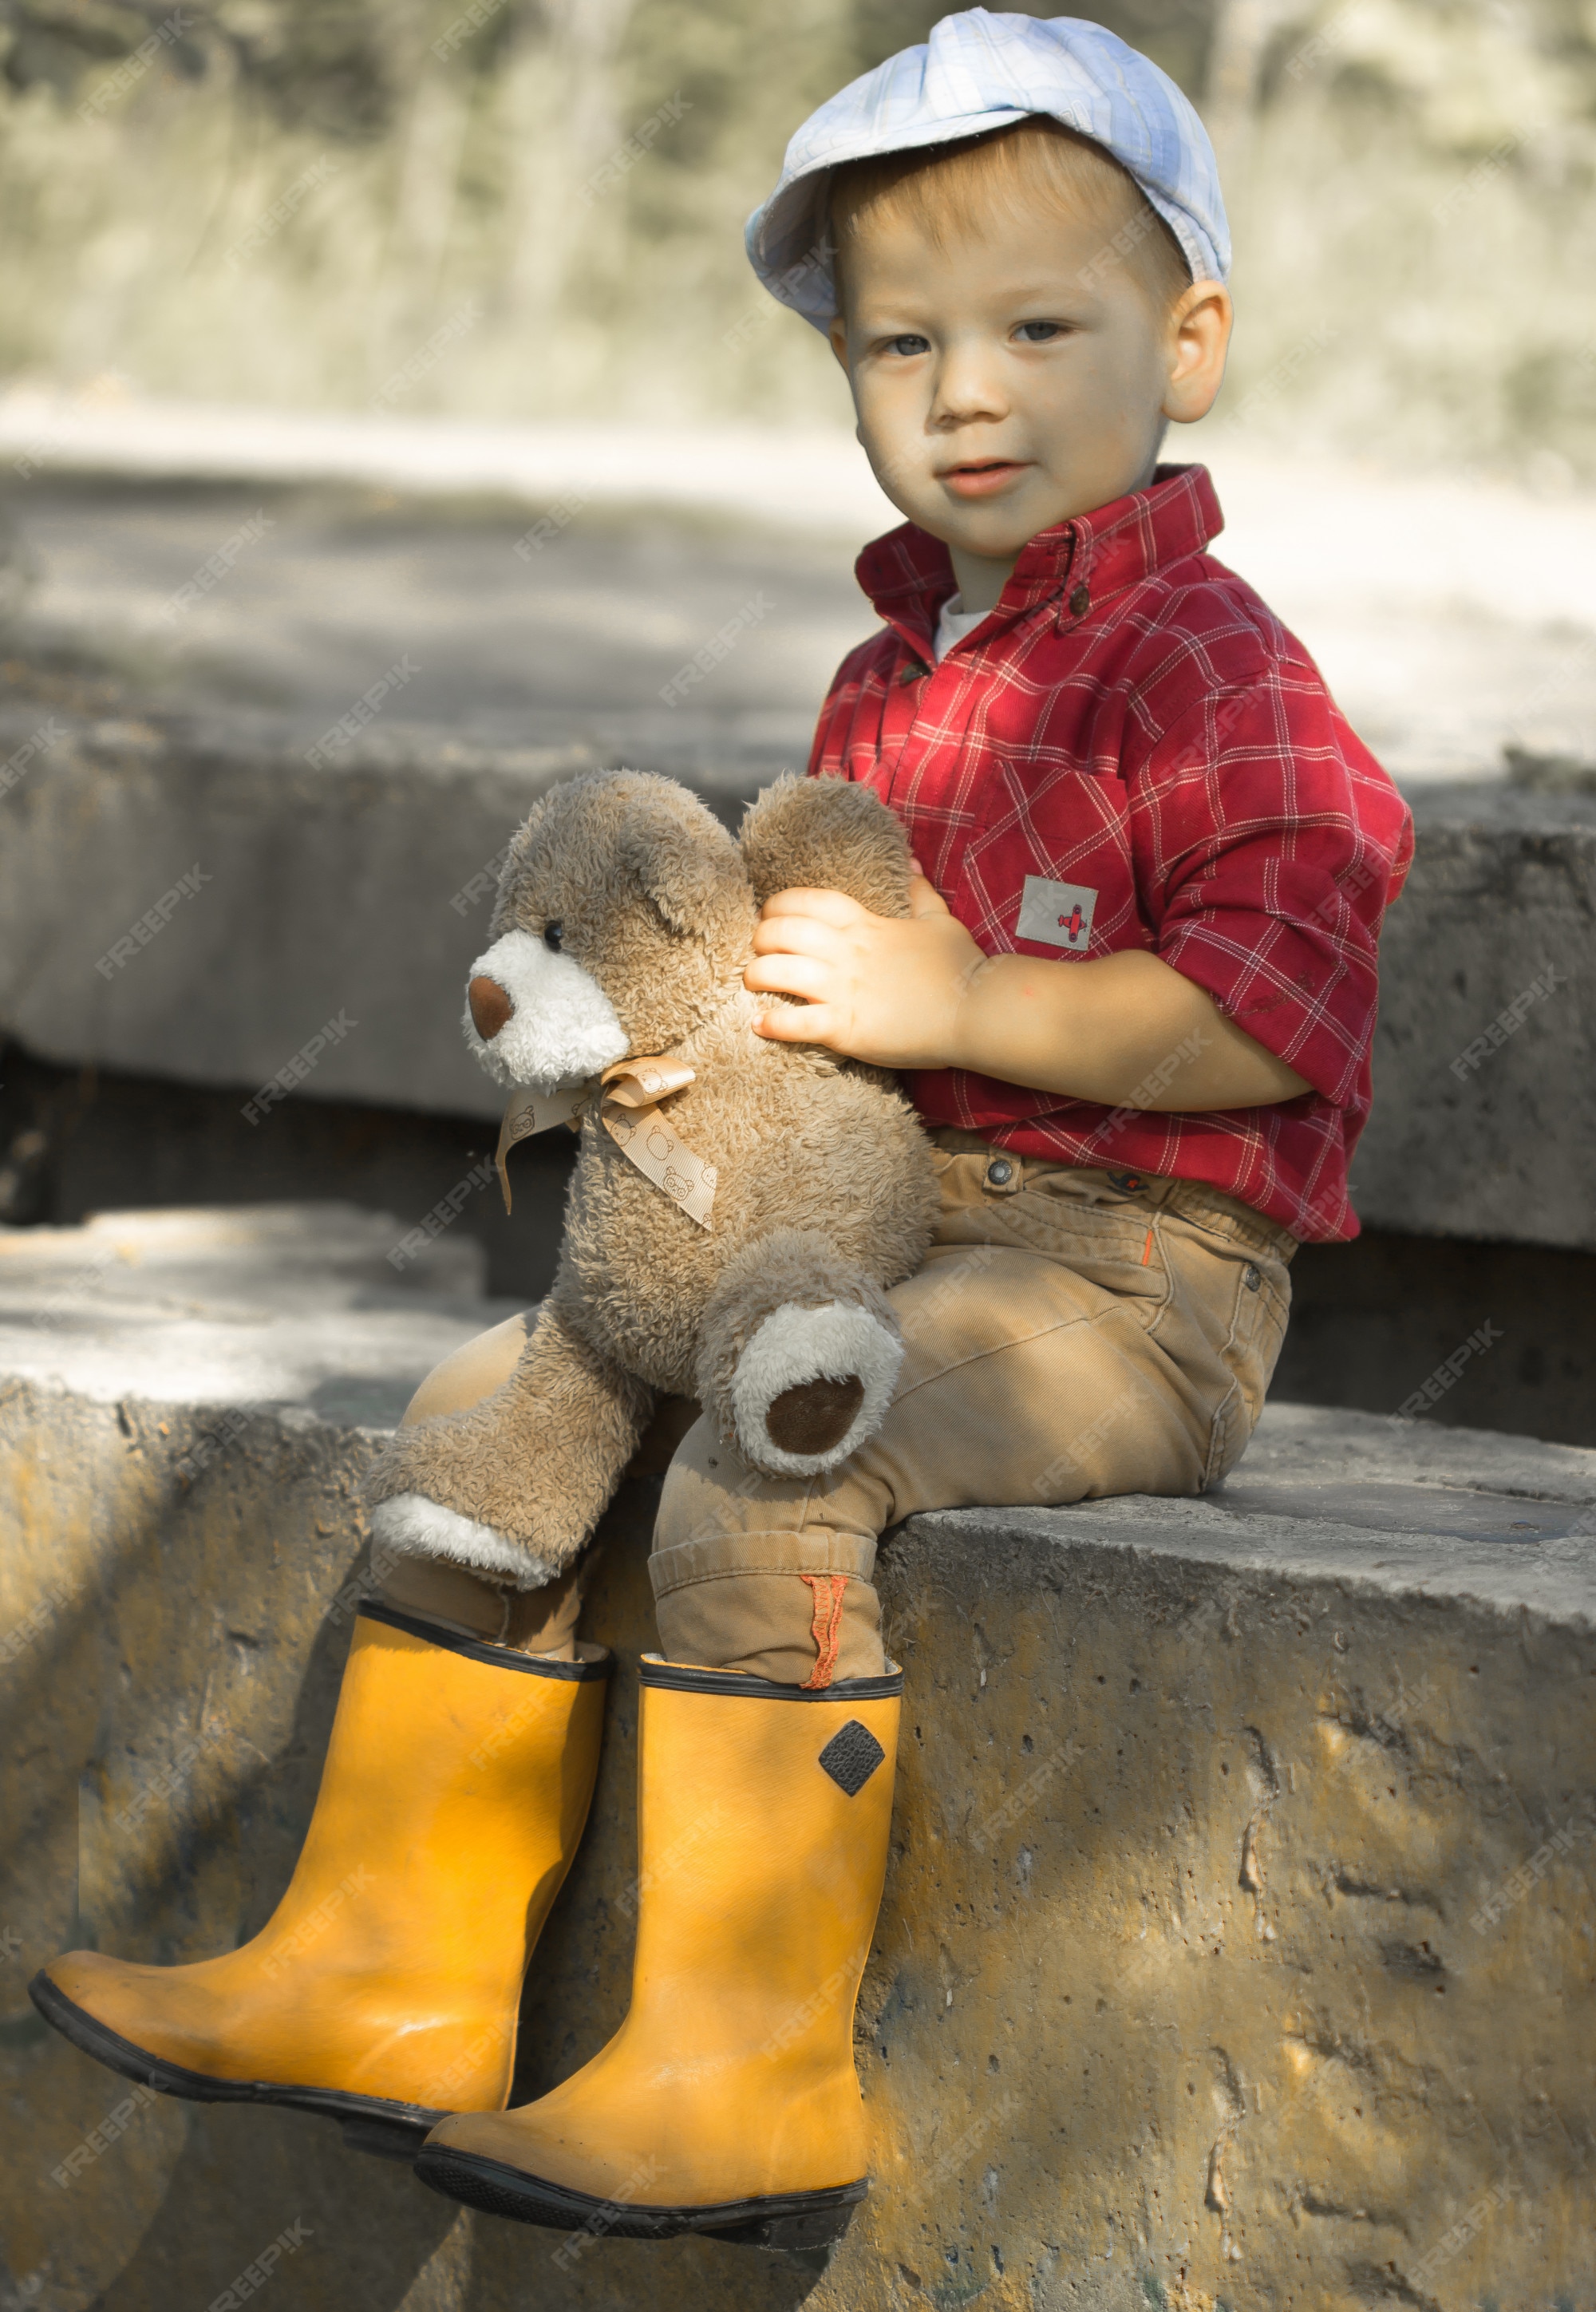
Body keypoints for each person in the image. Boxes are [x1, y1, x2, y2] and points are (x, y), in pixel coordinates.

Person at [34, 9, 1413, 2251]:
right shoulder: (893, 677)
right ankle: (392, 1967)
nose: (964, 391)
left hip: (1120, 1285)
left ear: (1191, 343)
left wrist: (964, 1001)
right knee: (501, 1397)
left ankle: (740, 2056)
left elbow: (1280, 1009)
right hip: (874, 1232)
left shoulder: (1209, 671)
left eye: (1038, 328)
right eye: (899, 347)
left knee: (788, 1445)